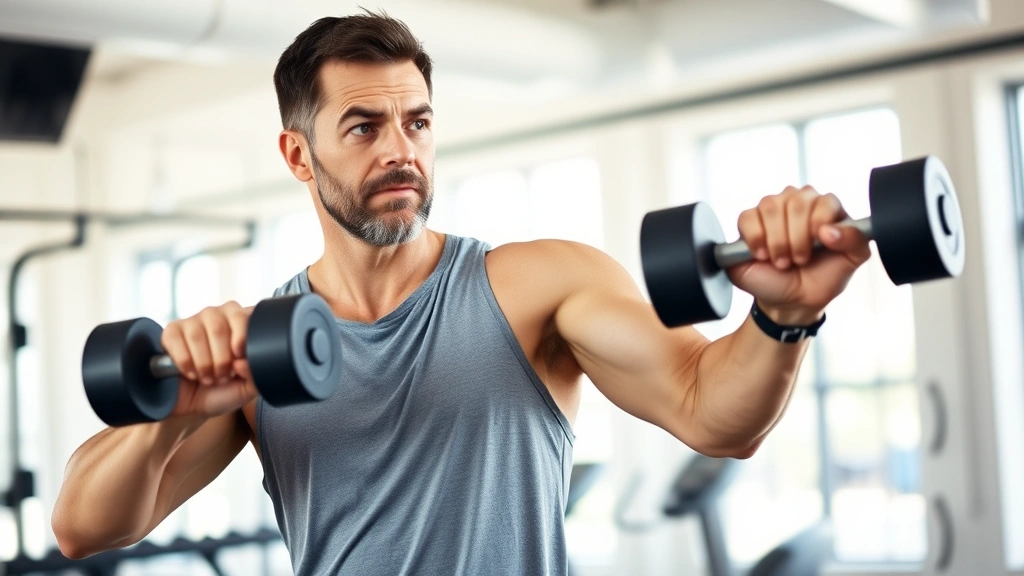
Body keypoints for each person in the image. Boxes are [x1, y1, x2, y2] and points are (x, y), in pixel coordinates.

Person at [51, 11, 870, 576]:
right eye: (364, 127)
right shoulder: (259, 357)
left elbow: (711, 411)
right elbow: (83, 528)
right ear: (299, 157)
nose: (401, 150)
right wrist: (178, 410)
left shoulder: (537, 286)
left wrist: (785, 313)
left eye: (419, 122)